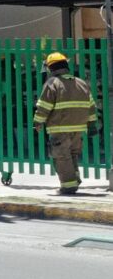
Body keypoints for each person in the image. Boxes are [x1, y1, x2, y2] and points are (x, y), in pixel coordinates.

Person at [32, 51, 97, 195]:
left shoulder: (52, 83)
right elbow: (91, 105)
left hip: (59, 128)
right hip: (78, 128)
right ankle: (74, 180)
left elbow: (44, 106)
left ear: (51, 68)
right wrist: (92, 124)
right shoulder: (81, 83)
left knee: (61, 157)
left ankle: (68, 186)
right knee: (72, 155)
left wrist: (38, 121)